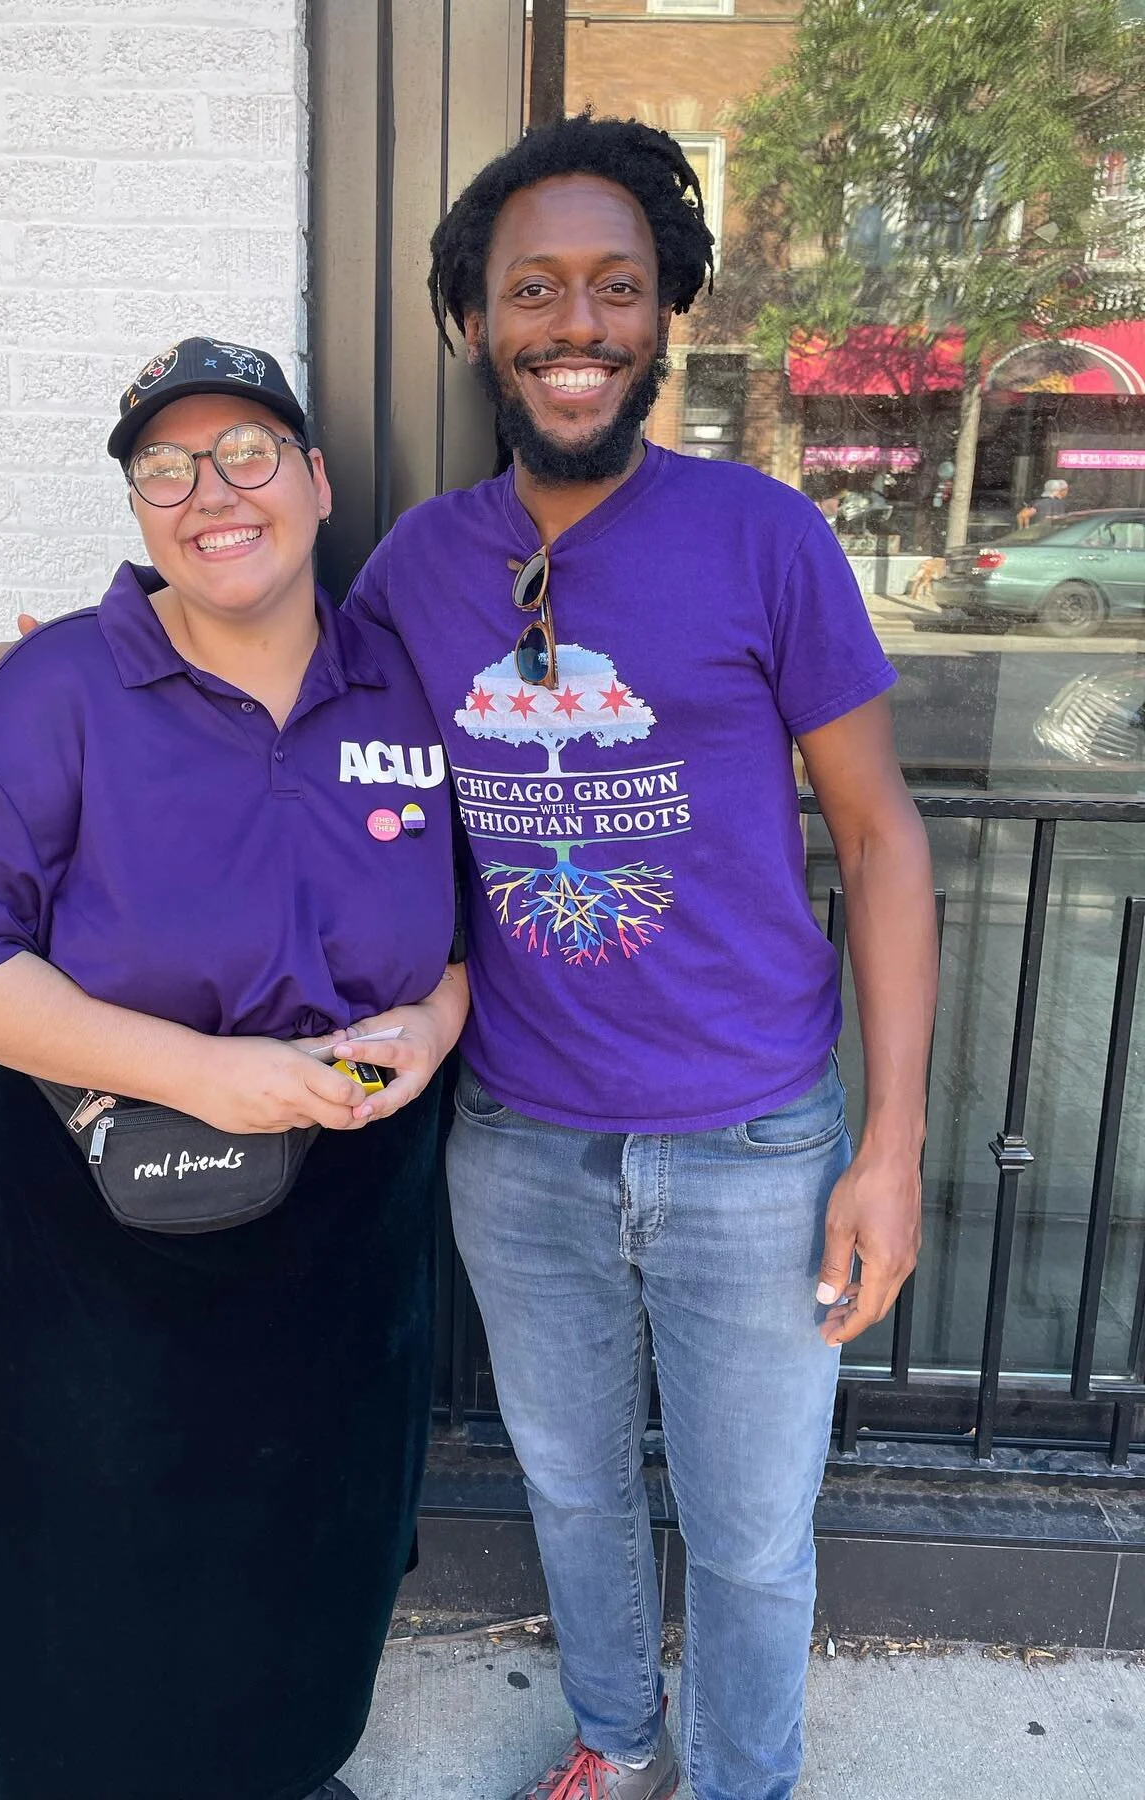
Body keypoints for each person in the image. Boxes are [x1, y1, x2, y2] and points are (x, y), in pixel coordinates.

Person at [343, 116, 938, 1800]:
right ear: (474, 321)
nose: (577, 324)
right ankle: (617, 1737)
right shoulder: (415, 571)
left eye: (615, 285)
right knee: (575, 1489)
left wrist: (889, 1147)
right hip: (519, 1141)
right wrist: (70, 673)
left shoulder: (764, 537)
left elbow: (882, 839)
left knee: (751, 1531)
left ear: (665, 310)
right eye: (533, 288)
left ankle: (745, 1779)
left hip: (755, 1144)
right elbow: (293, 739)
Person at [0, 337, 468, 1800]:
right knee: (97, 1545)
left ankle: (284, 1768)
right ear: (140, 509)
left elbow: (463, 931)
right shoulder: (54, 689)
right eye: (166, 468)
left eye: (247, 454)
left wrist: (436, 1021)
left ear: (317, 481)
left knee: (317, 1526)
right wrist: (203, 1074)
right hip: (101, 1212)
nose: (212, 491)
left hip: (348, 1217)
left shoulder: (405, 684)